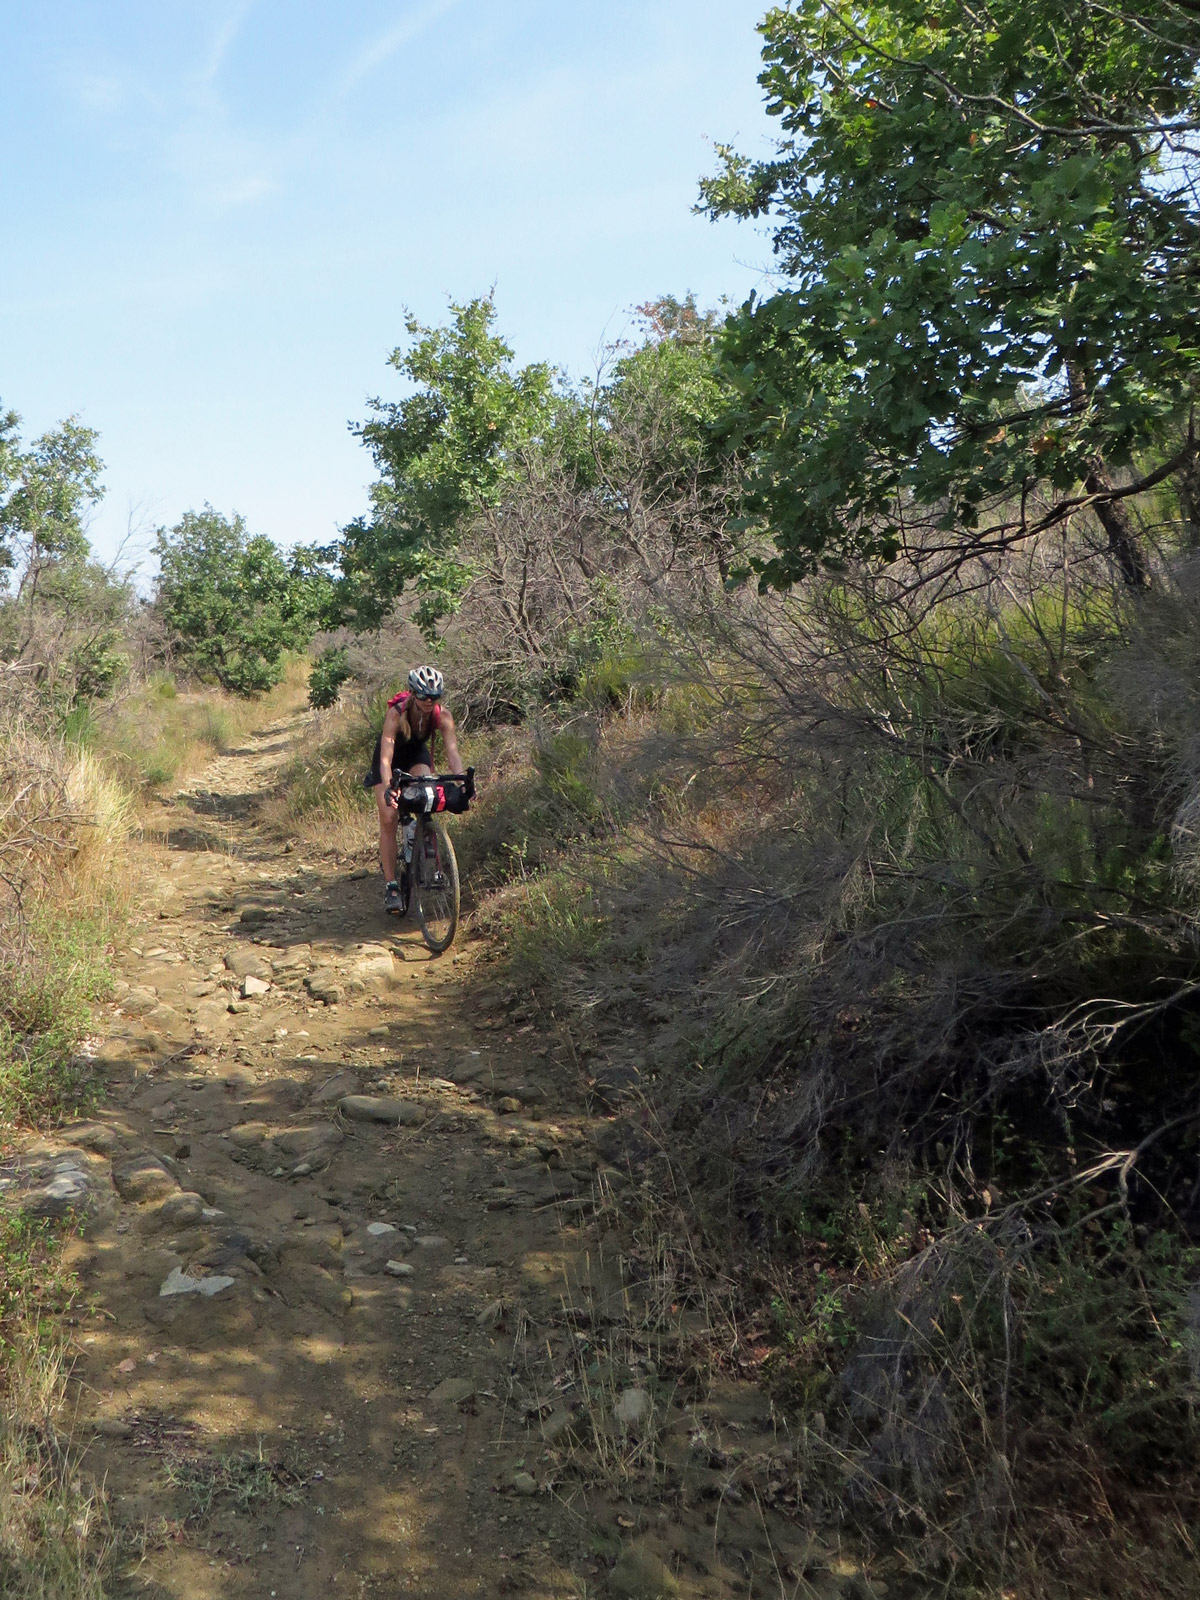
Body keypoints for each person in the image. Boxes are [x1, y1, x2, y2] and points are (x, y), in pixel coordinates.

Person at [364, 665, 465, 912]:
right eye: (423, 697)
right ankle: (392, 886)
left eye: (434, 697)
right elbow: (386, 760)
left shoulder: (443, 716)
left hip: (415, 755)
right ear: (413, 693)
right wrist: (389, 788)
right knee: (389, 816)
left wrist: (463, 781)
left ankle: (420, 834)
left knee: (426, 794)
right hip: (391, 757)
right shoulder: (396, 715)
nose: (429, 702)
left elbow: (453, 753)